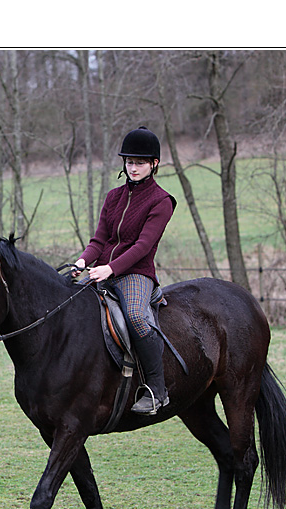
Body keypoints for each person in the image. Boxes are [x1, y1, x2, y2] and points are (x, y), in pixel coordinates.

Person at [72, 126, 177, 414]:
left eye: (140, 163)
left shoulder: (162, 201)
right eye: (129, 162)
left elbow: (143, 246)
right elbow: (99, 240)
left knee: (135, 316)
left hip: (136, 273)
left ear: (154, 164)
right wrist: (81, 262)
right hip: (101, 269)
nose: (133, 168)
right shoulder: (113, 197)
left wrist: (110, 268)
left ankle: (157, 389)